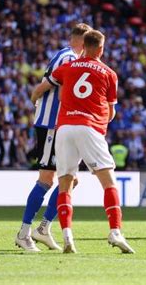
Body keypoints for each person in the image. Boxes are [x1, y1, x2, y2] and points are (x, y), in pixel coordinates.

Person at [33, 29, 135, 253]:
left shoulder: (66, 67)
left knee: (66, 184)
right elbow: (110, 112)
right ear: (100, 48)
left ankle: (67, 235)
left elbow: (57, 94)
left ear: (84, 46)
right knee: (108, 182)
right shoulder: (109, 73)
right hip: (90, 127)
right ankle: (115, 231)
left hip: (64, 128)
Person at [15, 23, 92, 252]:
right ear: (82, 40)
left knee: (71, 180)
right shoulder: (67, 57)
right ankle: (23, 233)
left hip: (62, 126)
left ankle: (43, 229)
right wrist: (35, 99)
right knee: (47, 179)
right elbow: (44, 86)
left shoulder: (71, 58)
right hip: (51, 125)